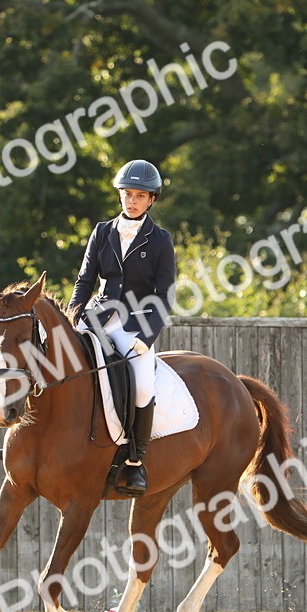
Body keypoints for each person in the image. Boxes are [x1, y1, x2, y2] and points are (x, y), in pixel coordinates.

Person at [68, 159, 177, 497]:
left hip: (137, 323)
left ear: (151, 200)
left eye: (139, 196)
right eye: (127, 194)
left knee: (143, 386)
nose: (131, 201)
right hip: (99, 317)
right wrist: (74, 310)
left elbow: (165, 296)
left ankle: (135, 462)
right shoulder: (102, 232)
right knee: (57, 359)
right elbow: (85, 280)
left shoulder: (160, 240)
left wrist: (147, 338)